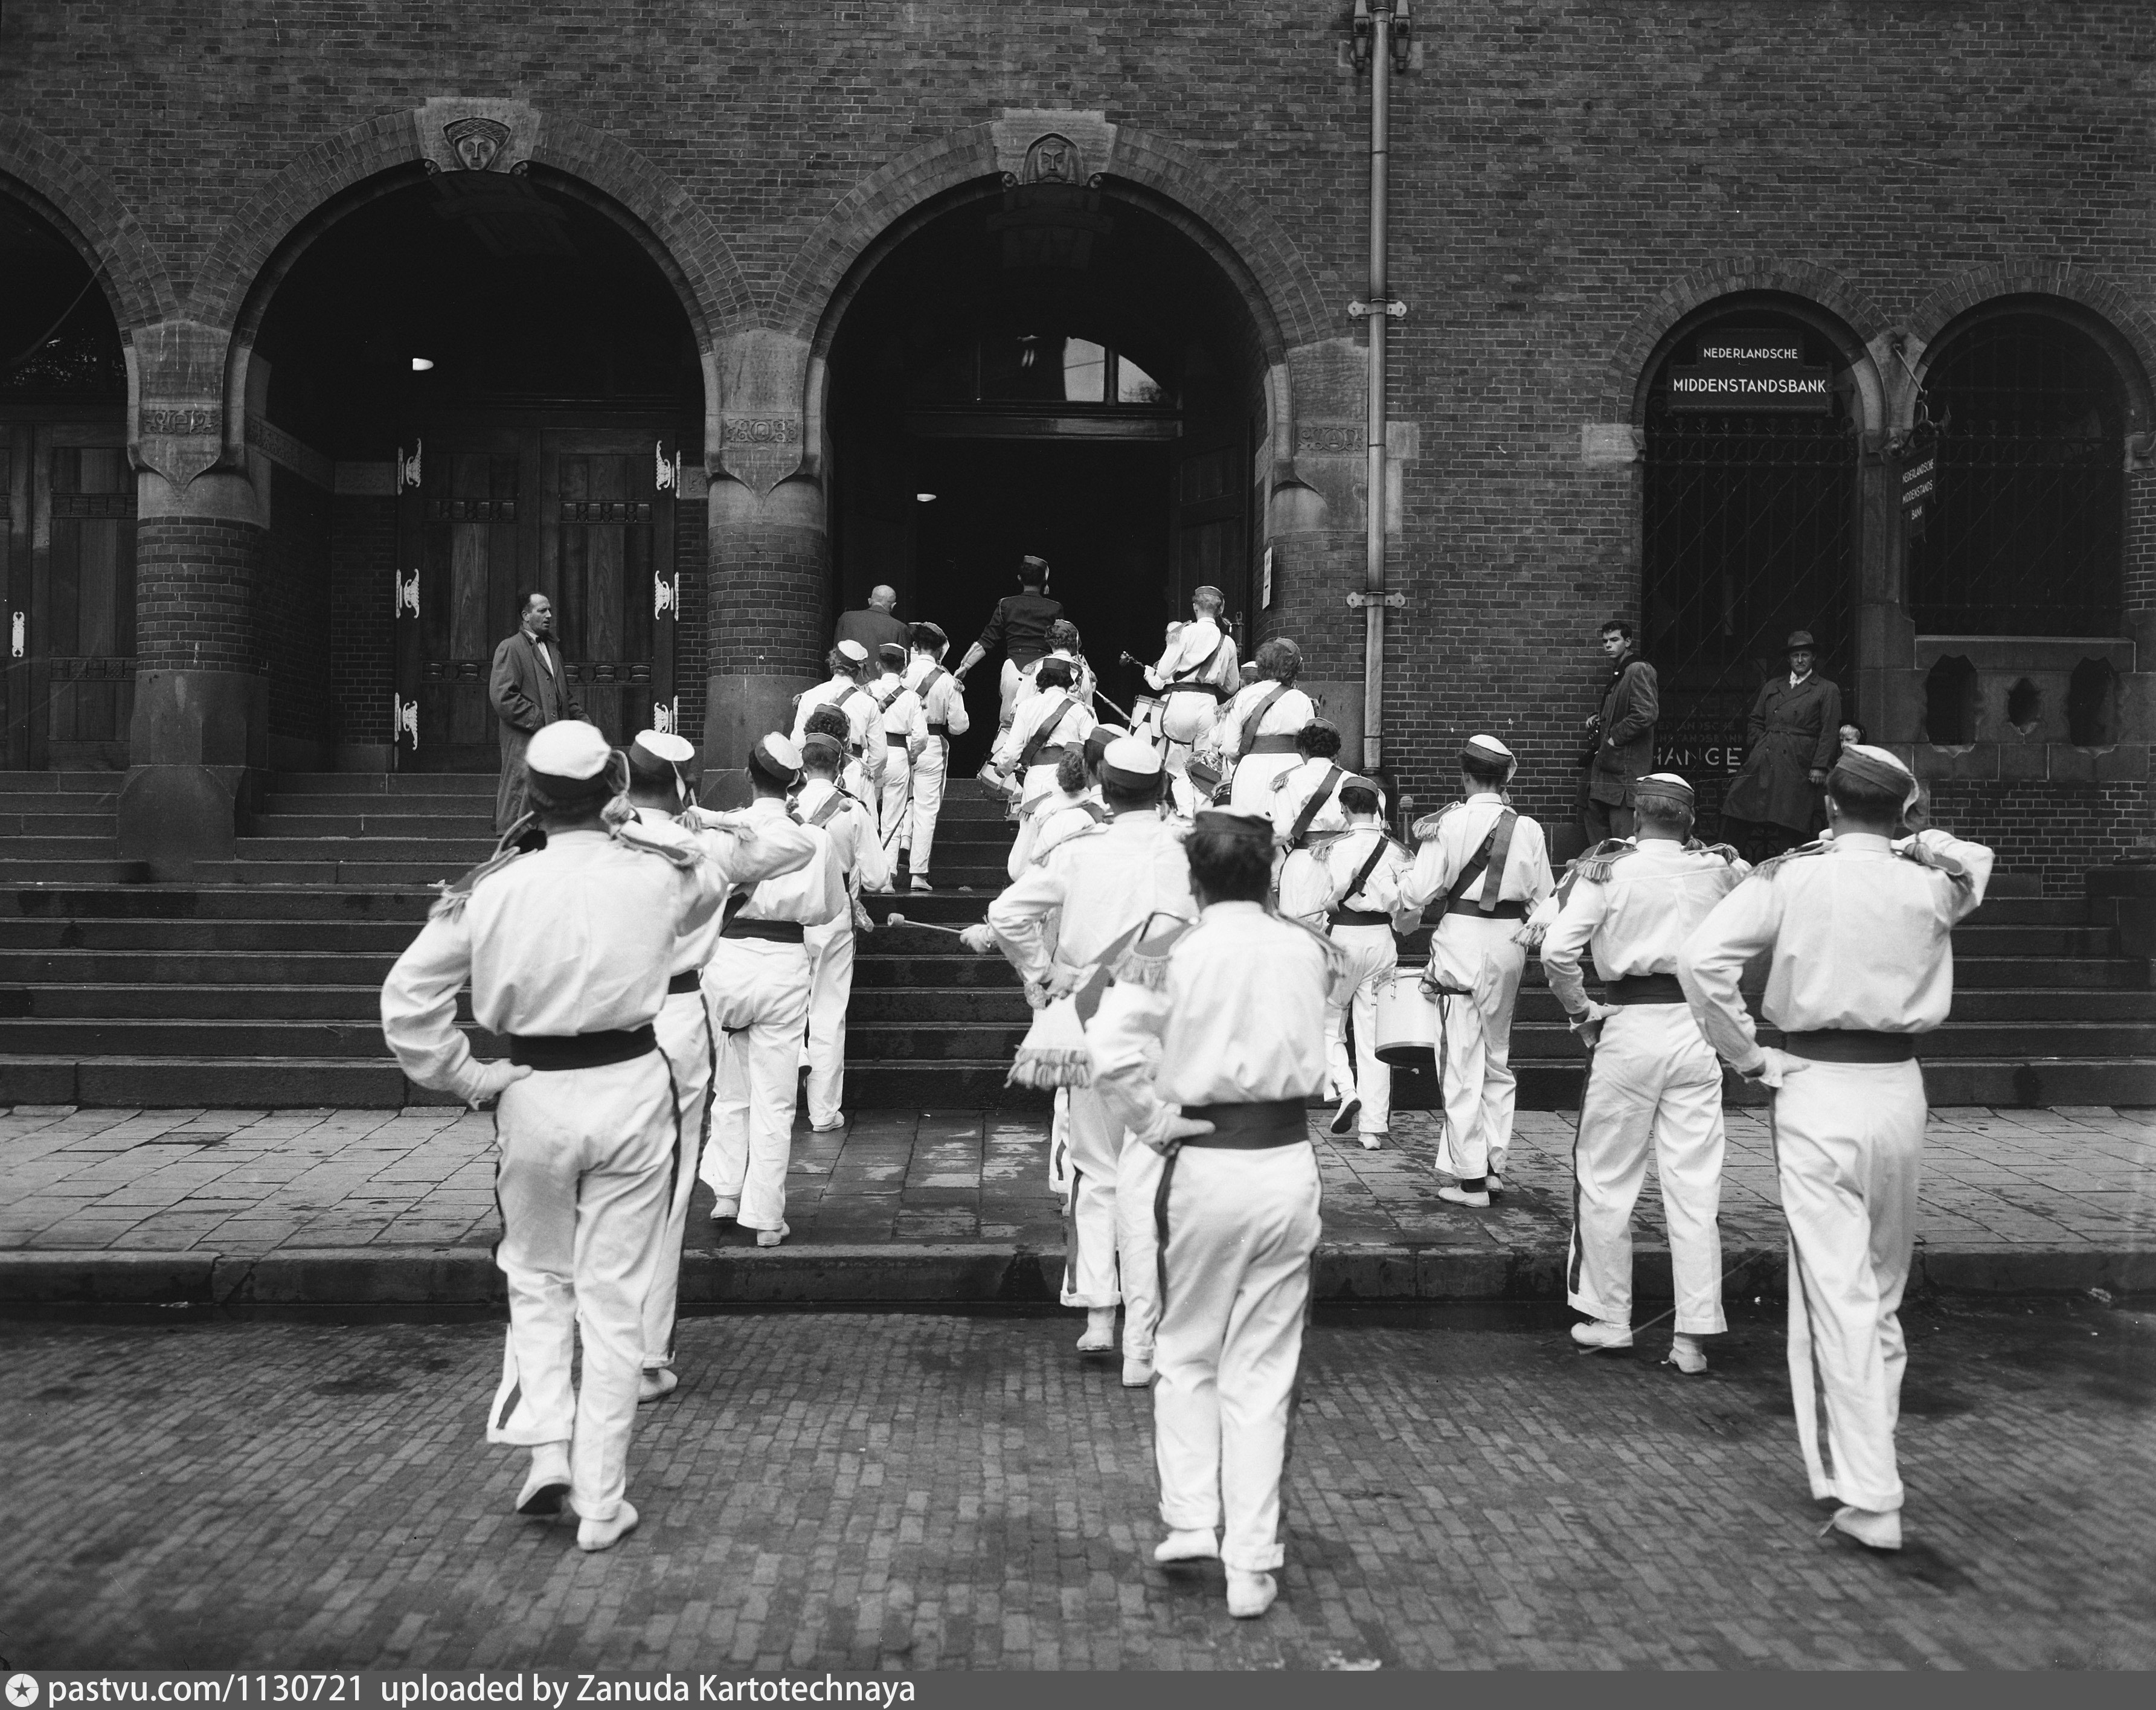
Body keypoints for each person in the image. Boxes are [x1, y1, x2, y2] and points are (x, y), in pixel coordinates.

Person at [379, 720, 726, 1554]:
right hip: (632, 1085)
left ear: (530, 799)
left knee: (537, 1276)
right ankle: (601, 1499)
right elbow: (714, 871)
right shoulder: (656, 874)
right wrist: (637, 825)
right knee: (613, 1294)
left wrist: (468, 1075)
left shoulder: (494, 889)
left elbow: (407, 1001)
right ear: (613, 790)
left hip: (532, 1089)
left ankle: (545, 1448)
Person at [1680, 745, 1993, 1554]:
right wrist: (1914, 839)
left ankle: (1870, 1488)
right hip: (1898, 1090)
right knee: (1878, 1289)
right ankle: (1868, 1458)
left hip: (1814, 1083)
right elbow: (1974, 859)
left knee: (1838, 1290)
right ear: (1903, 810)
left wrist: (1747, 1055)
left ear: (1827, 807)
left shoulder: (1792, 876)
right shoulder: (1932, 880)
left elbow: (1700, 958)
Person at [1089, 809, 1344, 1621]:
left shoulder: (1172, 951)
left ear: (1194, 879)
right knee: (1264, 1367)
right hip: (1285, 1162)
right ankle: (1251, 1560)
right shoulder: (1306, 947)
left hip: (1202, 1161)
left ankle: (1193, 1517)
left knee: (1186, 1347)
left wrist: (1151, 1121)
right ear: (1267, 876)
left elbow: (1109, 1053)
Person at [988, 736, 1194, 1386]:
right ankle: (1145, 1341)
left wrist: (1042, 968)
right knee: (1156, 1180)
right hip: (1167, 1024)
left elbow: (1005, 912)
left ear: (1103, 785)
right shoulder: (1190, 849)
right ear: (1161, 789)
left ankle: (1100, 1314)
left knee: (1095, 1170)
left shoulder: (1078, 852)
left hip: (1092, 1015)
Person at [620, 730, 815, 1404]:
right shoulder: (701, 849)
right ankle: (644, 1355)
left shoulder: (591, 840)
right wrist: (712, 818)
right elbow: (796, 844)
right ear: (683, 786)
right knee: (665, 1189)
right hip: (672, 1014)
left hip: (592, 1020)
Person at [1539, 772, 1748, 1374]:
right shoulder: (1718, 870)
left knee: (1607, 1177)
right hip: (1695, 1028)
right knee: (1695, 1185)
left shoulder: (1610, 871)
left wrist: (1581, 1010)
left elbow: (1556, 950)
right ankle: (1692, 1338)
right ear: (1691, 820)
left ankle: (1610, 1318)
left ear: (1634, 816)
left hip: (1629, 1025)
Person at [701, 734, 849, 1249]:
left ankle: (725, 1191)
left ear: (748, 775)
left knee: (729, 1083)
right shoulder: (814, 838)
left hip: (728, 959)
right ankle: (765, 1217)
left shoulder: (726, 830)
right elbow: (829, 908)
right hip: (784, 963)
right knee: (775, 1096)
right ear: (794, 781)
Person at [1393, 734, 1554, 1207]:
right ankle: (1493, 1167)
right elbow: (1545, 901)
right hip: (1509, 943)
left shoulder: (1448, 823)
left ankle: (1471, 1180)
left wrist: (1402, 883)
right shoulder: (1529, 827)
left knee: (1460, 1060)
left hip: (1461, 942)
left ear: (1464, 776)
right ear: (1505, 778)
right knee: (1497, 1058)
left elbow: (1419, 891)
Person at [798, 730, 890, 1133]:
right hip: (833, 915)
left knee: (784, 1011)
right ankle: (822, 1112)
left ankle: (780, 1093)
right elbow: (877, 878)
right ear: (839, 767)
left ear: (803, 765)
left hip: (788, 916)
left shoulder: (785, 805)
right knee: (828, 1012)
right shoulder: (852, 809)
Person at [1317, 781, 1411, 1149]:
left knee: (1327, 1022)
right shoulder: (1397, 850)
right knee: (1374, 1037)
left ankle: (1346, 1089)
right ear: (1376, 809)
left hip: (1343, 939)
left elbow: (1327, 897)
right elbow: (1408, 906)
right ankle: (1372, 1128)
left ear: (1344, 809)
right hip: (1382, 939)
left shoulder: (1333, 847)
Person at [1721, 629, 1844, 862]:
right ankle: (1727, 864)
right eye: (1796, 655)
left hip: (1797, 761)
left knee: (1790, 820)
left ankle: (1786, 871)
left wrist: (1820, 765)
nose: (1800, 660)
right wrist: (1759, 744)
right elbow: (1756, 720)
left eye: (1805, 655)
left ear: (1813, 658)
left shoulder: (1826, 689)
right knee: (1738, 806)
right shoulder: (1773, 686)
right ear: (1789, 659)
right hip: (1764, 758)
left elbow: (1829, 730)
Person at [487, 592, 584, 834]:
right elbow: (503, 697)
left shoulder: (553, 651)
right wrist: (542, 719)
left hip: (552, 744)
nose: (549, 615)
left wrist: (584, 725)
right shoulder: (510, 648)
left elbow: (564, 698)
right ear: (526, 616)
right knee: (519, 808)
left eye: (550, 610)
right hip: (524, 742)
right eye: (542, 611)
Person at [990, 657, 1096, 871]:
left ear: (1040, 681)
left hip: (1037, 779)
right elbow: (1092, 749)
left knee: (1033, 837)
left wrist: (1002, 769)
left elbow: (1011, 752)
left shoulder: (1027, 707)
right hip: (1072, 780)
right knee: (1068, 835)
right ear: (1068, 682)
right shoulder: (1080, 710)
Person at [1145, 588, 1239, 805]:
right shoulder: (1228, 642)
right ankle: (1203, 816)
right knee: (1207, 769)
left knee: (1179, 768)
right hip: (1209, 706)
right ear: (1220, 610)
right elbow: (1232, 687)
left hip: (1182, 703)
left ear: (1195, 607)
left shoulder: (1183, 633)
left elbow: (1164, 672)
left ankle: (1185, 816)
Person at [954, 554, 1064, 727]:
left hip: (1013, 670)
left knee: (1007, 729)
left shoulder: (1005, 604)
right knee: (1040, 729)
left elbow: (987, 640)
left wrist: (965, 666)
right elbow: (1063, 644)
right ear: (1044, 581)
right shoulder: (1055, 608)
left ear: (1020, 578)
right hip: (1043, 672)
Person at [1213, 638, 1317, 813]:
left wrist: (1246, 759)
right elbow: (1310, 747)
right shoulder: (1302, 700)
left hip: (1251, 771)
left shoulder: (1244, 696)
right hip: (1292, 770)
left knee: (1249, 825)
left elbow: (1230, 747)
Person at [903, 622, 969, 892]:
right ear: (941, 649)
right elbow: (959, 726)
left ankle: (892, 861)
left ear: (915, 646)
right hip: (930, 743)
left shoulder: (902, 674)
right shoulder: (947, 680)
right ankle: (918, 873)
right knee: (926, 810)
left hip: (900, 742)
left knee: (895, 803)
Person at [1580, 618, 1658, 844]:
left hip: (1625, 772)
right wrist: (1600, 718)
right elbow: (1624, 710)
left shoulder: (1638, 669)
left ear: (1628, 642)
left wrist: (1614, 737)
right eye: (1605, 641)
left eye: (1614, 640)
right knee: (1596, 820)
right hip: (1610, 770)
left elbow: (1645, 714)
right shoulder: (1622, 672)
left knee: (1624, 840)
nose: (1608, 645)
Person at [1268, 719, 1352, 921]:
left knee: (1300, 929)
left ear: (1303, 749)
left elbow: (1282, 832)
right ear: (1335, 752)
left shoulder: (1289, 781)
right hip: (1347, 862)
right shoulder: (1354, 780)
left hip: (1305, 862)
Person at [791, 640, 887, 788]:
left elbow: (797, 745)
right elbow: (880, 755)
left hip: (814, 776)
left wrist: (808, 773)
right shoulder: (868, 702)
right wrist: (864, 776)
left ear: (833, 663)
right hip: (853, 775)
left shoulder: (809, 696)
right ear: (858, 670)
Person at [868, 642, 920, 879]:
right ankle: (887, 876)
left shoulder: (867, 691)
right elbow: (921, 736)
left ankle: (867, 873)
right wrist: (913, 755)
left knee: (868, 814)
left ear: (879, 665)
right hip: (898, 755)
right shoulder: (911, 697)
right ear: (903, 669)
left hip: (871, 755)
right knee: (893, 818)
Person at [834, 583, 913, 658]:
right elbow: (904, 663)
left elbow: (835, 655)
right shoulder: (900, 628)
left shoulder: (846, 618)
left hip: (850, 668)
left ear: (870, 601)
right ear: (893, 606)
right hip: (880, 668)